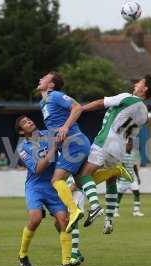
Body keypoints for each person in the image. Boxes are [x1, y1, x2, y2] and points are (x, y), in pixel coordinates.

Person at [77, 75, 151, 234]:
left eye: (139, 82)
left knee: (84, 175)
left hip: (106, 140)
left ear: (145, 88)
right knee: (111, 179)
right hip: (120, 147)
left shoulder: (128, 98)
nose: (136, 83)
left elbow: (101, 103)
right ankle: (109, 220)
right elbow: (132, 136)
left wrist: (81, 109)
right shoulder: (144, 113)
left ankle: (94, 206)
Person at [16, 115, 75, 266]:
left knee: (64, 220)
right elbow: (37, 169)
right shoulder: (22, 148)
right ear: (22, 131)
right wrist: (54, 148)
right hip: (35, 186)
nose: (29, 122)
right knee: (35, 219)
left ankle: (66, 263)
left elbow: (66, 142)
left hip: (53, 184)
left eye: (29, 119)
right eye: (25, 123)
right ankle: (23, 256)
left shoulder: (49, 134)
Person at [37, 71, 90, 233]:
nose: (40, 78)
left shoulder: (55, 96)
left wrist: (66, 126)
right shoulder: (43, 103)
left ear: (51, 85)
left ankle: (74, 210)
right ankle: (113, 171)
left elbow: (77, 107)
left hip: (73, 143)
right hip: (68, 146)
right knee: (81, 181)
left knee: (56, 180)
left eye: (44, 77)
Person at [116, 138, 144, 217]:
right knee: (119, 195)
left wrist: (138, 177)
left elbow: (134, 166)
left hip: (132, 180)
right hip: (123, 180)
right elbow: (121, 167)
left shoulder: (133, 155)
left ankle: (136, 211)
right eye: (129, 145)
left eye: (131, 145)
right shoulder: (123, 155)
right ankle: (115, 211)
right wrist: (118, 177)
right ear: (126, 145)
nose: (131, 146)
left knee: (137, 193)